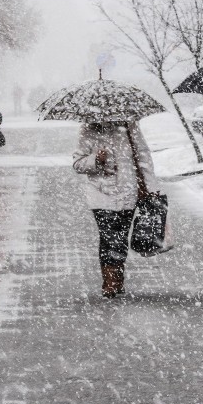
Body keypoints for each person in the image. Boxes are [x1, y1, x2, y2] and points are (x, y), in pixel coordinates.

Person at [73, 121, 158, 298]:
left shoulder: (129, 126)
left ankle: (118, 278)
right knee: (108, 236)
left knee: (120, 237)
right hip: (100, 194)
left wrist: (151, 187)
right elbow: (77, 163)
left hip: (128, 191)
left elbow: (143, 157)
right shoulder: (88, 129)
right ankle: (110, 282)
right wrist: (95, 160)